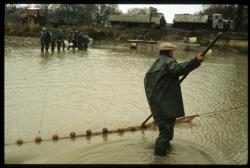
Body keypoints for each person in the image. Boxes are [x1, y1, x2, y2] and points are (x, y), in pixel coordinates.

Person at [144, 42, 205, 156]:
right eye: (173, 51)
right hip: (165, 103)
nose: (174, 53)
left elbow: (156, 83)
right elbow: (179, 69)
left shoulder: (155, 65)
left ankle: (165, 152)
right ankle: (159, 159)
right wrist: (196, 61)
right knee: (166, 133)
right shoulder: (168, 62)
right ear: (170, 52)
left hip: (157, 103)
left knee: (165, 130)